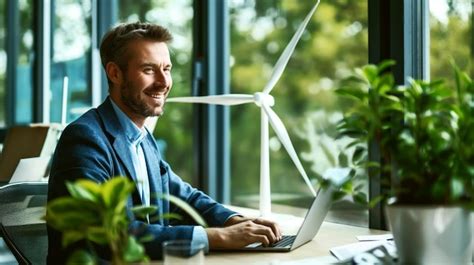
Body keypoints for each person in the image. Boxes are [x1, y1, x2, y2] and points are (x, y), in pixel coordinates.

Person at [47, 21, 281, 263]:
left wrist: (235, 221)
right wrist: (217, 237)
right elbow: (104, 232)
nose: (163, 82)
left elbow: (184, 198)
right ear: (115, 73)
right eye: (149, 70)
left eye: (166, 69)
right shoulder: (85, 138)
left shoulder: (142, 137)